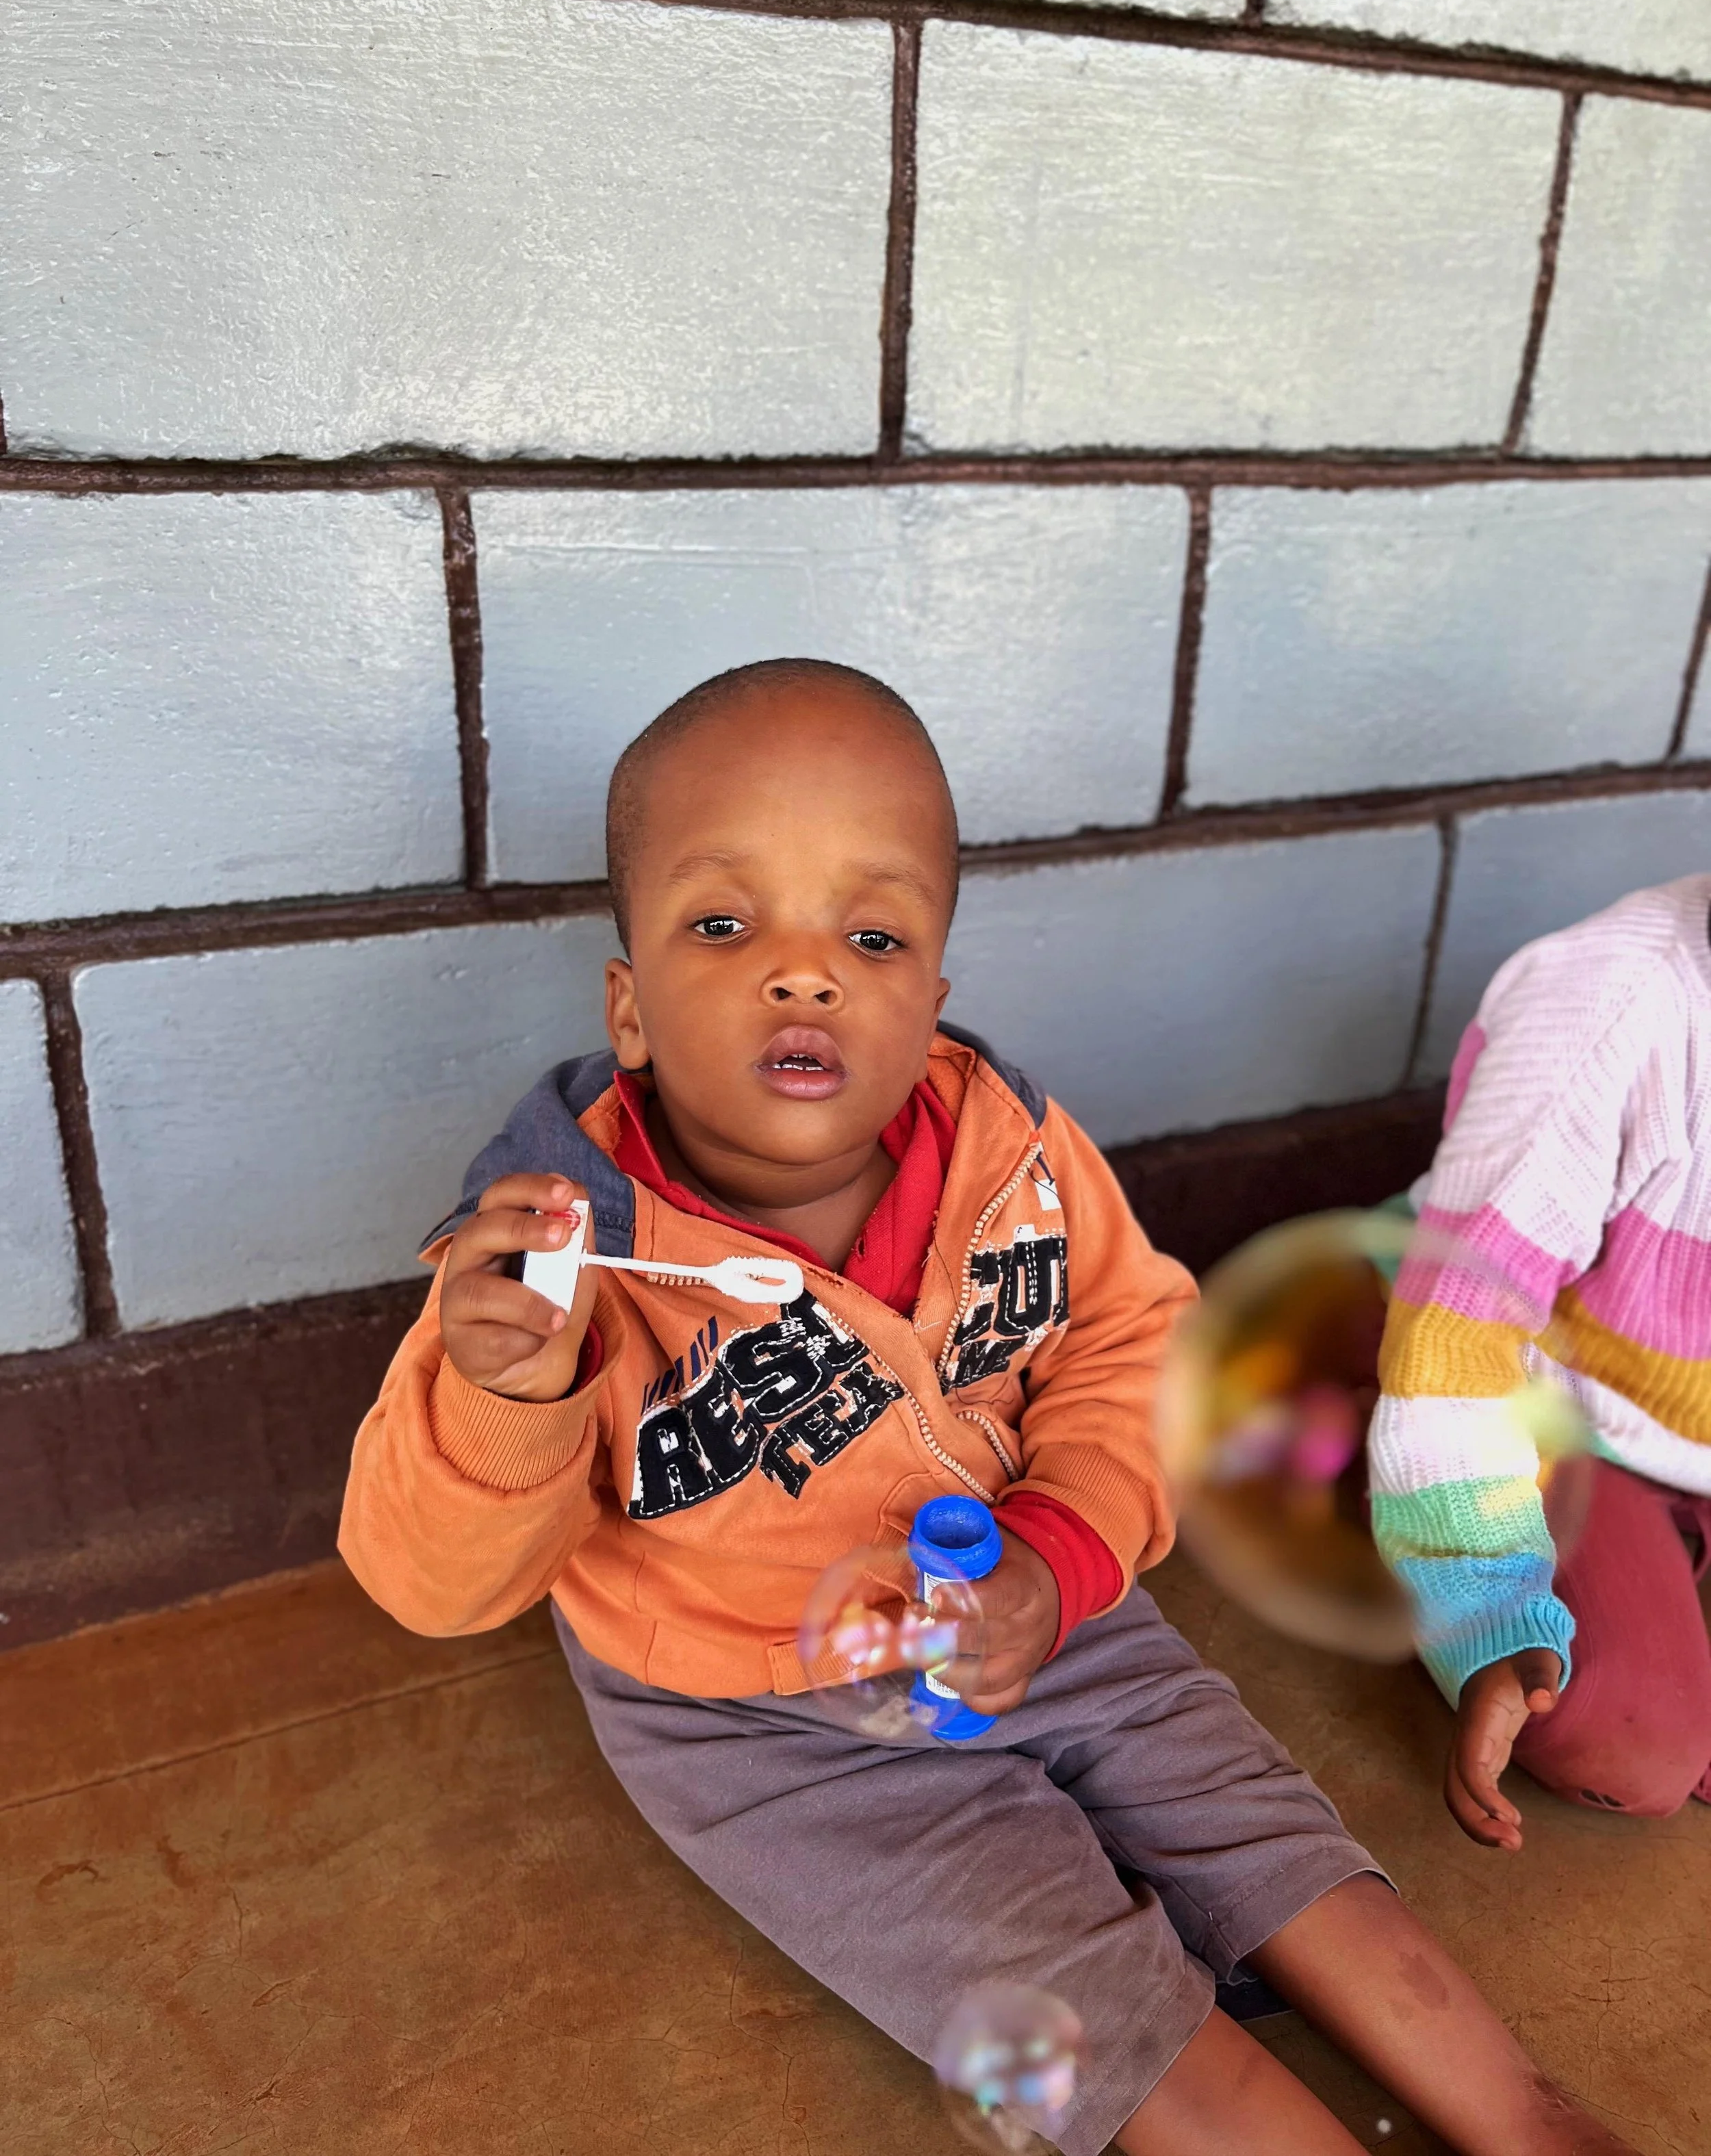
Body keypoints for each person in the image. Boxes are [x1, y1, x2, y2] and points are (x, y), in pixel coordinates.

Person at [341, 659, 1632, 2155]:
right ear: (626, 1008)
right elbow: (433, 1584)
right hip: (761, 1722)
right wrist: (505, 1393)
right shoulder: (556, 1257)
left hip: (1041, 1593)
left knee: (1256, 1831)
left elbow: (1131, 1344)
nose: (803, 972)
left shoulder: (1005, 1145)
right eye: (720, 922)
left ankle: (1537, 2126)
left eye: (870, 933)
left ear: (930, 1000)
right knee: (1082, 1998)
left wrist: (1062, 1550)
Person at [1372, 874, 1711, 1853]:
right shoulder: (1615, 1004)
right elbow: (1461, 1335)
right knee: (1626, 1740)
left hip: (1683, 1409)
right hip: (1538, 1386)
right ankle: (1398, 1478)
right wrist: (1487, 1607)